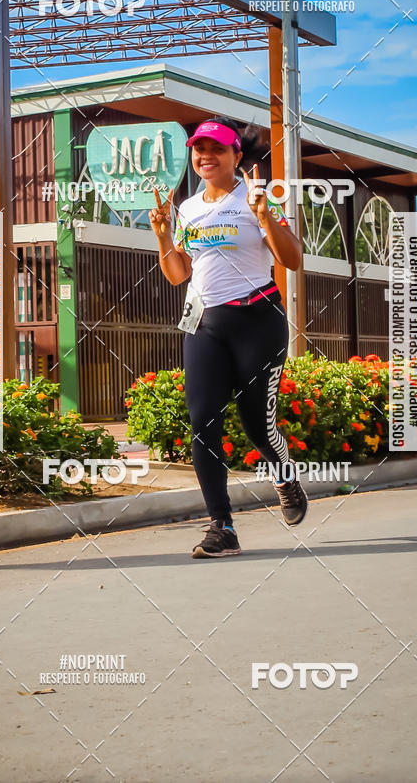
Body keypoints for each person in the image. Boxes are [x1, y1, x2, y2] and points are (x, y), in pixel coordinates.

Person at [149, 116, 308, 558]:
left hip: (257, 320)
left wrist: (264, 217)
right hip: (204, 325)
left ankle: (284, 478)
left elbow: (292, 260)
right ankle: (222, 527)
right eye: (199, 149)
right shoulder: (188, 208)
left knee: (257, 423)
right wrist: (163, 237)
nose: (205, 156)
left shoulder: (257, 199)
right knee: (202, 423)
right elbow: (179, 273)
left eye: (216, 149)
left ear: (236, 156)